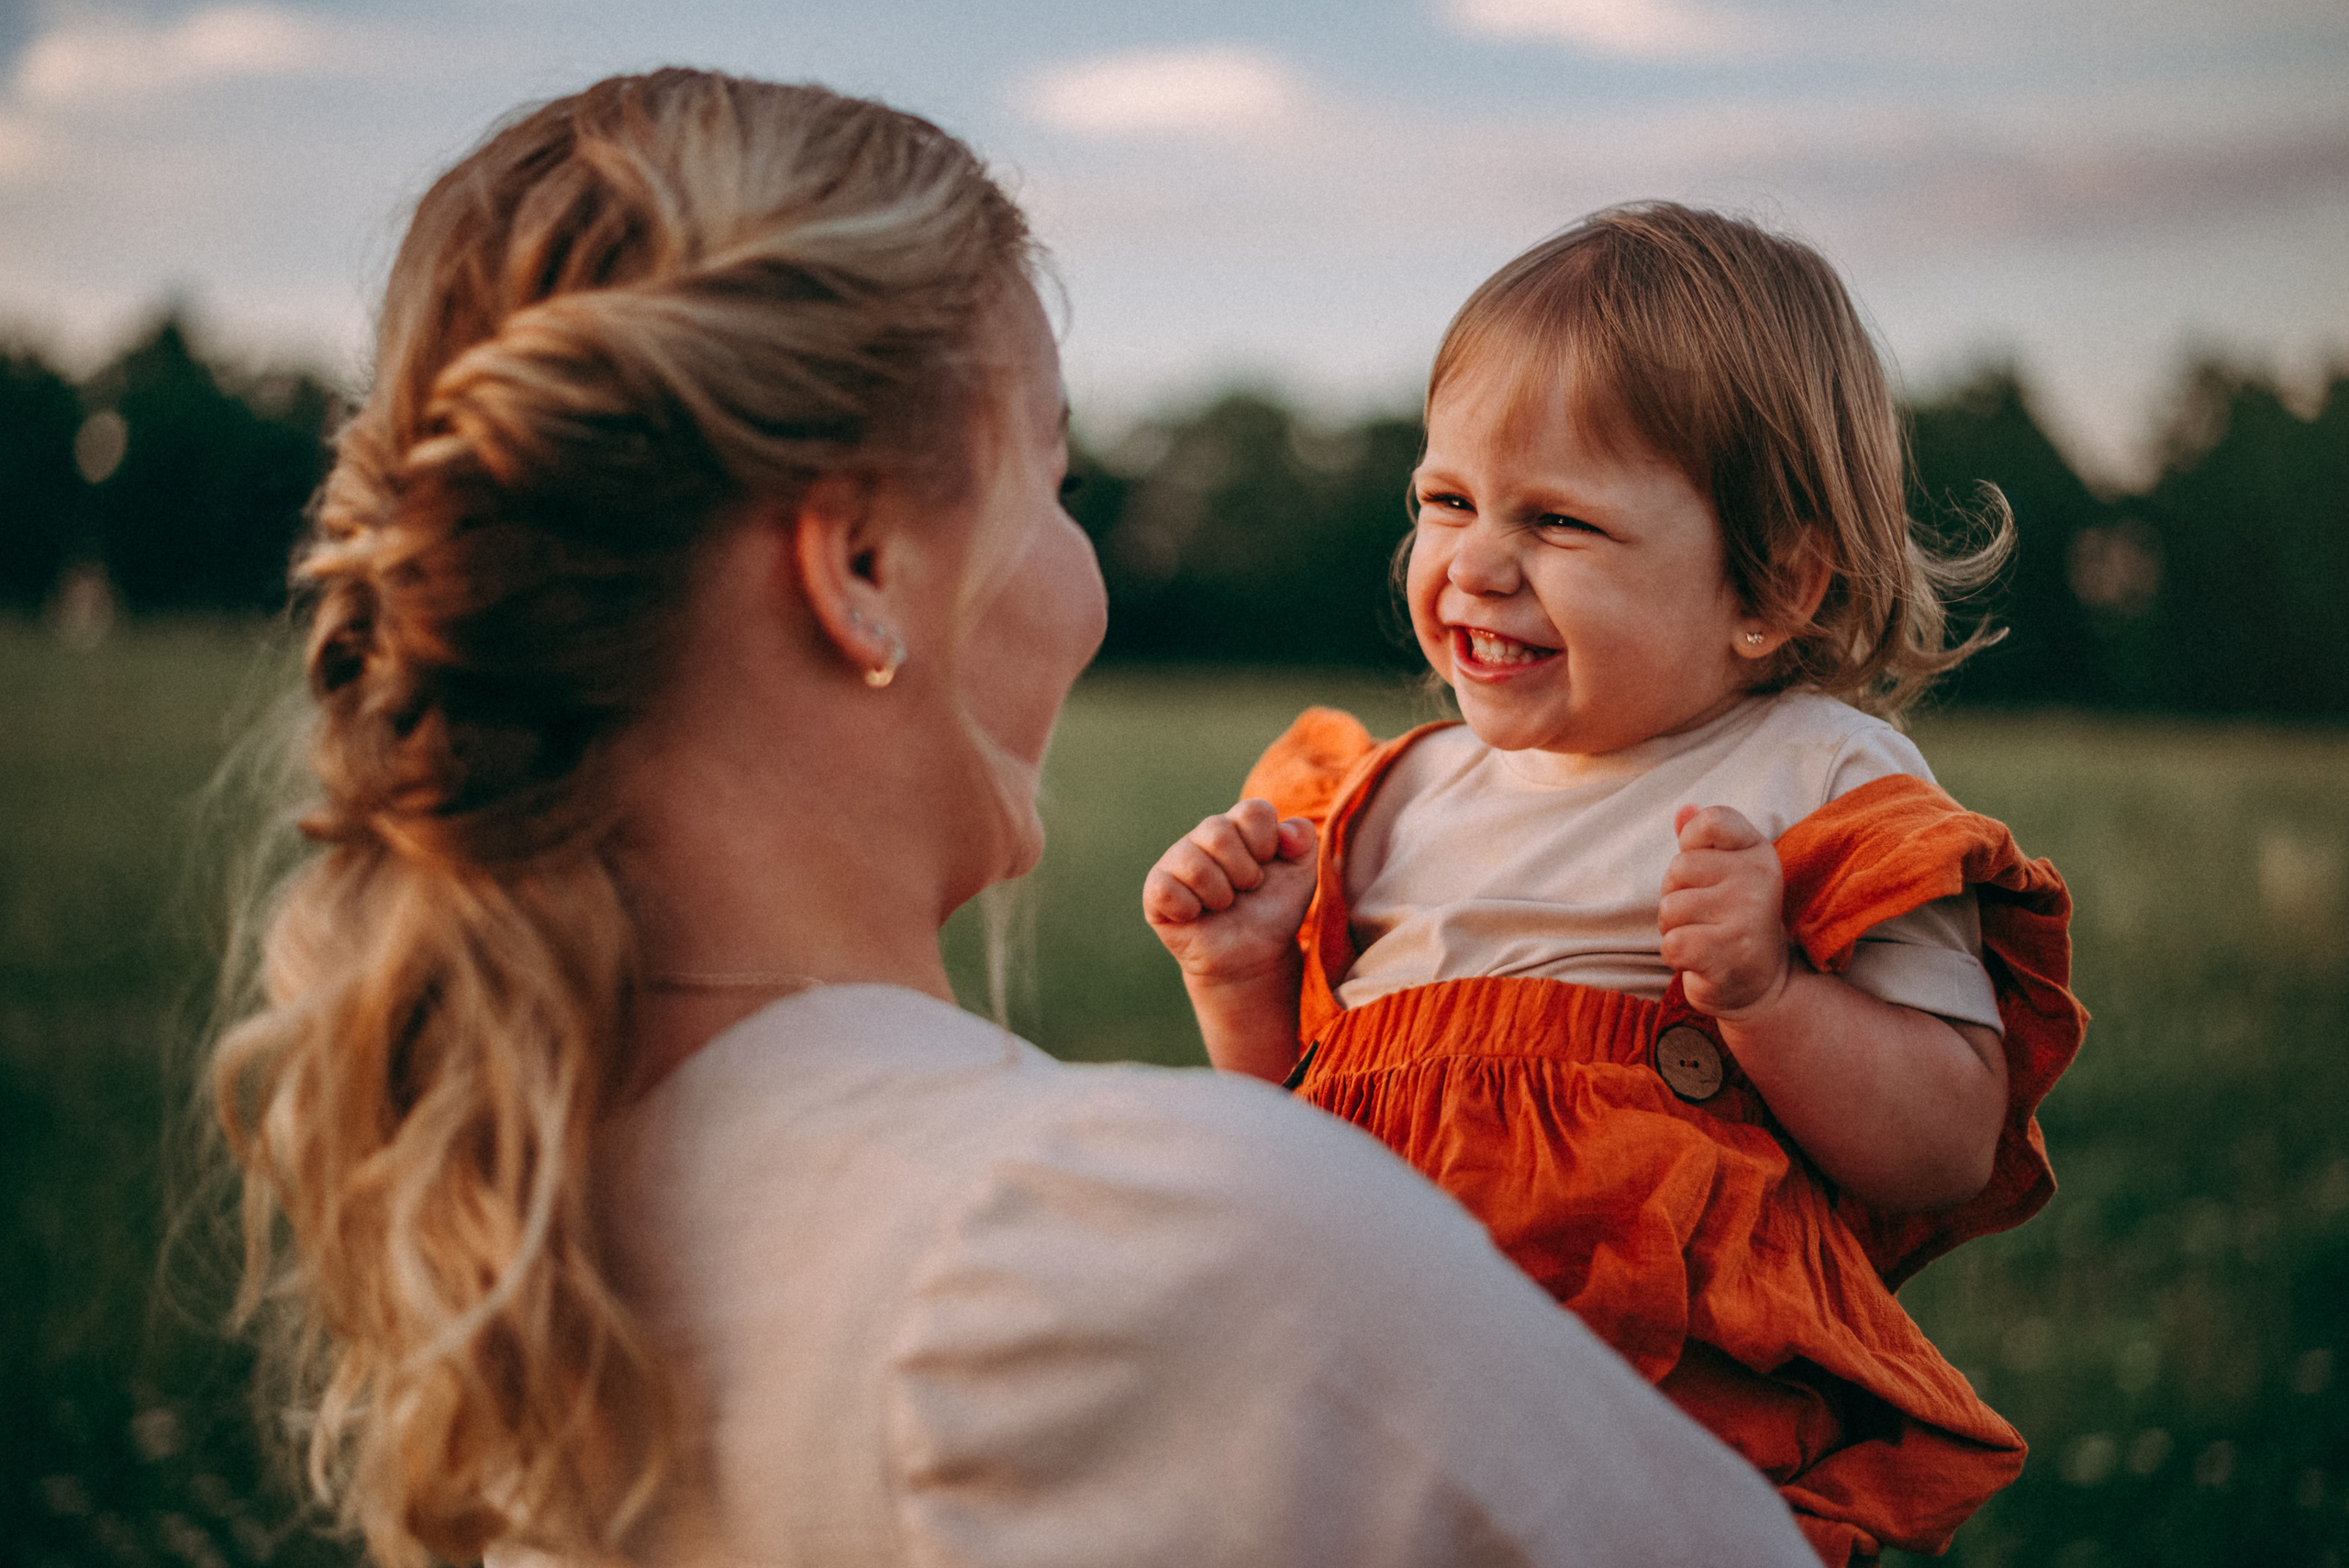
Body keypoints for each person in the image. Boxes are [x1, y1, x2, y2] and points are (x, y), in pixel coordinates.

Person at [207, 73, 1817, 1568]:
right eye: (1050, 482)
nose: (1088, 583)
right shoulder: (1142, 1248)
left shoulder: (526, 1208)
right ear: (860, 568)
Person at [1144, 204, 2089, 1565]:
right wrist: (1240, 978)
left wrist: (1767, 995)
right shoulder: (1383, 802)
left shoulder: (1813, 775)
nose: (1474, 559)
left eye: (1560, 520)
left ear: (1771, 582)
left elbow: (1949, 1138)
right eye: (1447, 500)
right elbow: (1301, 1158)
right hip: (1372, 1419)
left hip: (1659, 1446)